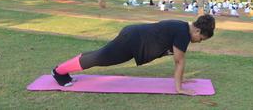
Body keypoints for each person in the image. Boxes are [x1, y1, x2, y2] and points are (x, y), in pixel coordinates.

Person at [51, 14, 215, 95]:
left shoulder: (182, 27)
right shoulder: (183, 33)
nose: (199, 41)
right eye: (201, 38)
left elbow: (178, 58)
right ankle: (59, 72)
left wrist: (182, 80)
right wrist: (179, 89)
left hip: (134, 36)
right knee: (99, 58)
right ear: (198, 30)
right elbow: (179, 61)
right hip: (133, 40)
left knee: (99, 56)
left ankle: (62, 71)